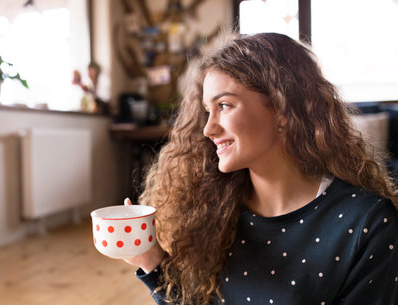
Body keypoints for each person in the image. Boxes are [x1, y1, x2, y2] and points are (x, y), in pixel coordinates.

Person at [121, 32, 398, 305]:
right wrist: (149, 258)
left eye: (225, 105)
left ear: (282, 109)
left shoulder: (369, 225)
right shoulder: (212, 211)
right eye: (208, 110)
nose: (208, 129)